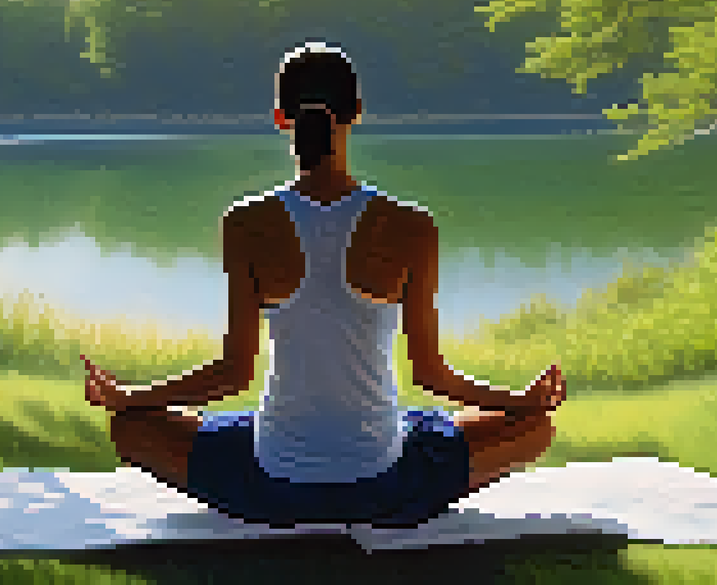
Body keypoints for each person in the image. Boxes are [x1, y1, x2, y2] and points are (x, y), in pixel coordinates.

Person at [81, 40, 565, 528]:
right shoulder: (411, 226)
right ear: (356, 112)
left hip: (271, 485)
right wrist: (521, 402)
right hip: (385, 482)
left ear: (280, 117)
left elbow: (231, 376)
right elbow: (431, 377)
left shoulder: (247, 223)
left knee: (131, 428)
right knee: (533, 429)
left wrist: (130, 397)